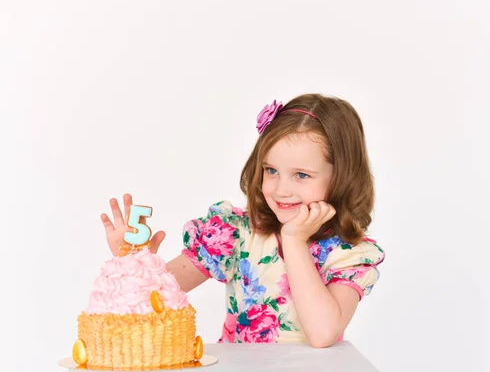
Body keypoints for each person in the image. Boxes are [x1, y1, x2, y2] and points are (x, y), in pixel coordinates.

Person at [101, 93, 385, 348]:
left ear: (342, 176)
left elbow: (322, 334)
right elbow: (154, 297)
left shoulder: (348, 255)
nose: (280, 189)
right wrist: (131, 261)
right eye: (271, 170)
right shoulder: (235, 234)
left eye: (301, 175)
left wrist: (294, 240)